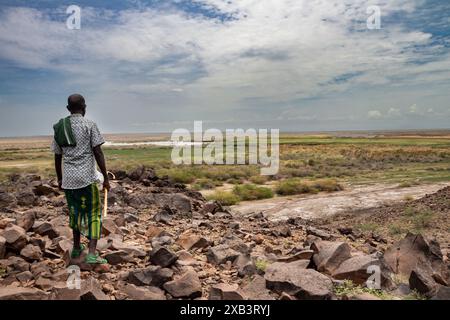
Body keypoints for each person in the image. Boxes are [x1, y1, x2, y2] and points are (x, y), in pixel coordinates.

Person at [51, 94, 110, 264]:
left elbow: (57, 156)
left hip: (69, 180)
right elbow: (98, 152)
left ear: (68, 108)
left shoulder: (60, 127)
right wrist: (106, 177)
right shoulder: (90, 125)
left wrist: (60, 179)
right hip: (87, 179)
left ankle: (76, 248)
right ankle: (92, 254)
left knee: (75, 212)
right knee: (93, 214)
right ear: (84, 107)